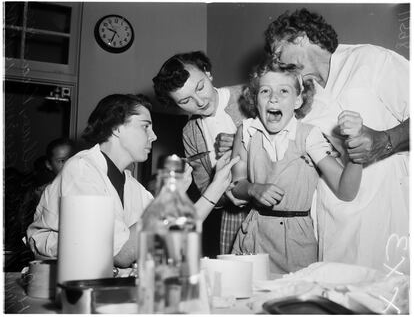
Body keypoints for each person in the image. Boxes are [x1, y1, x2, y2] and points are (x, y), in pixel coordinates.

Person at [263, 8, 409, 273]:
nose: (277, 62)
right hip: (332, 207)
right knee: (337, 291)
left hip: (386, 201)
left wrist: (385, 140)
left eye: (277, 52)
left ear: (301, 38)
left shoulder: (370, 60)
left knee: (386, 290)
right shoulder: (301, 94)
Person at [27, 94, 239, 268]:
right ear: (116, 128)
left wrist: (216, 186)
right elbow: (121, 253)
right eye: (145, 126)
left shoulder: (129, 183)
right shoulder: (82, 170)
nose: (154, 136)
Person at [230, 59, 363, 273]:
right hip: (253, 236)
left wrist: (358, 149)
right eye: (265, 91)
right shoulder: (246, 131)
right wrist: (253, 188)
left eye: (284, 91)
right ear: (255, 99)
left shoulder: (308, 136)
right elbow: (236, 184)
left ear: (298, 100)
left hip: (296, 240)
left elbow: (346, 191)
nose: (273, 98)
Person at [153, 51, 249, 255]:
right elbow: (206, 187)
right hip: (232, 218)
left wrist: (242, 143)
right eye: (185, 101)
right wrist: (227, 194)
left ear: (208, 73)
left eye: (200, 87)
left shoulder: (249, 95)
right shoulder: (190, 132)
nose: (199, 102)